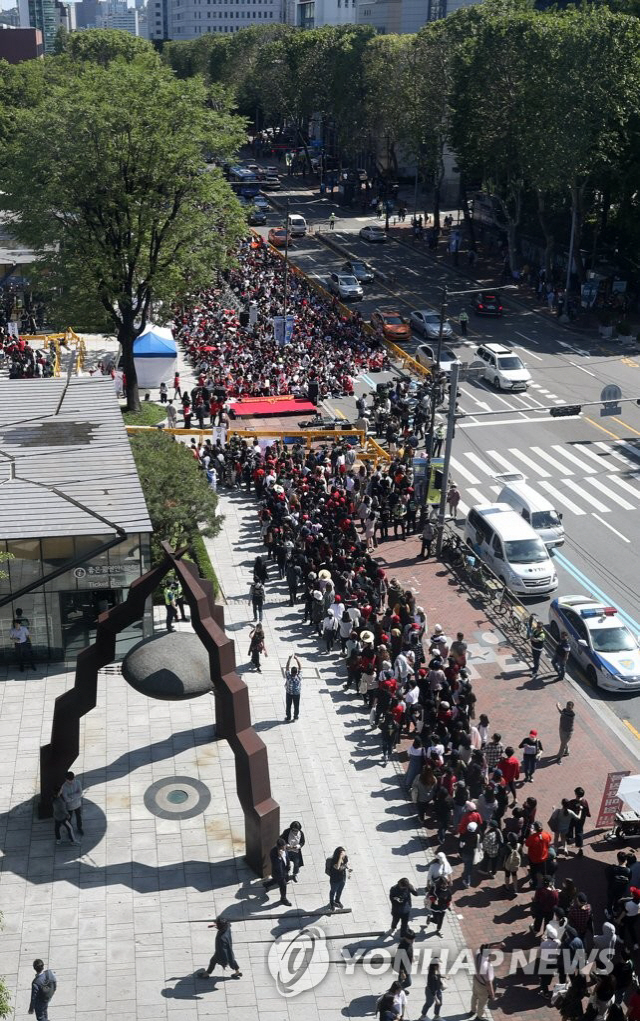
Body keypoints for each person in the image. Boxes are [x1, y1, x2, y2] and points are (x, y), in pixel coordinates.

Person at [470, 945, 496, 1020]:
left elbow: (485, 948)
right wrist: (492, 995)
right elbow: (488, 983)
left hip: (476, 980)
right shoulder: (486, 967)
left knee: (474, 995)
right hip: (483, 986)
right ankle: (479, 1016)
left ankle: (472, 1010)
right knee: (482, 1001)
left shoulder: (478, 954)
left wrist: (498, 946)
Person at [263, 838, 291, 905]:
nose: (285, 848)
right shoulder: (273, 852)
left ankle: (266, 884)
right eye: (283, 847)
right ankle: (283, 899)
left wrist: (289, 865)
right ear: (279, 847)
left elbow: (287, 857)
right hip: (278, 873)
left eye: (284, 846)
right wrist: (279, 857)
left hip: (285, 870)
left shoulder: (285, 849)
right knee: (283, 885)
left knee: (275, 880)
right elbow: (276, 865)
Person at [327, 845, 350, 910]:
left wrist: (348, 868)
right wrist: (340, 857)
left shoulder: (345, 857)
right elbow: (337, 867)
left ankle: (337, 900)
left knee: (340, 890)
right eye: (342, 853)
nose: (344, 854)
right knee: (333, 891)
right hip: (335, 879)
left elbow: (346, 863)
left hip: (342, 878)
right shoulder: (333, 861)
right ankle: (331, 903)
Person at [61, 771, 83, 836]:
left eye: (72, 779)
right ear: (66, 779)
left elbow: (80, 793)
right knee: (69, 819)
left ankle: (79, 828)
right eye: (69, 780)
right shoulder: (64, 787)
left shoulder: (78, 782)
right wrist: (75, 795)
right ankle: (70, 831)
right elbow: (66, 799)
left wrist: (71, 796)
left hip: (77, 805)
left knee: (79, 817)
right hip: (69, 807)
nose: (71, 781)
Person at [284, 654, 301, 721]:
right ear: (296, 672)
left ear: (291, 672)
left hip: (289, 693)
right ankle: (295, 717)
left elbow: (287, 667)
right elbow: (300, 667)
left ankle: (288, 717)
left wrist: (289, 659)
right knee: (296, 706)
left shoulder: (288, 677)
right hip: (297, 694)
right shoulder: (299, 677)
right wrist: (297, 659)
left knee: (288, 706)